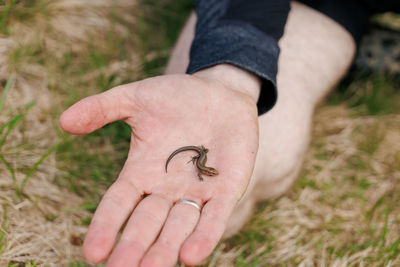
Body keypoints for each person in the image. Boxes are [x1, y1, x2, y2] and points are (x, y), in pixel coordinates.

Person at [59, 0, 400, 266]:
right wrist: (228, 74)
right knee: (268, 154)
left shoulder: (202, 161)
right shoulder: (202, 160)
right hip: (283, 7)